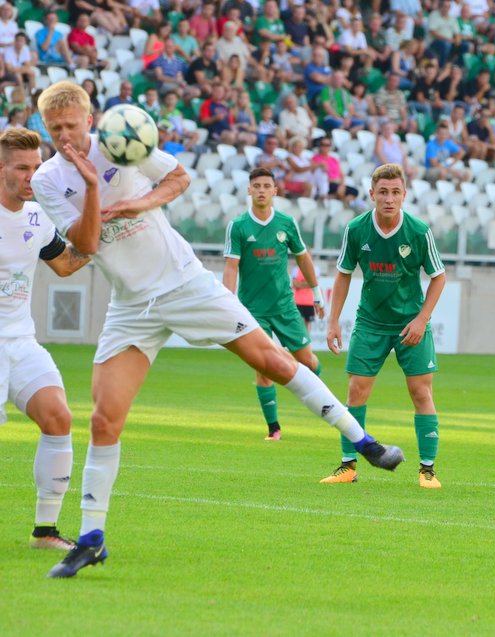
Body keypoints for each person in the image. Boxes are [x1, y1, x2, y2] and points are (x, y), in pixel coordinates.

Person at [31, 81, 404, 578]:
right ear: (44, 128)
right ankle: (92, 538)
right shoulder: (49, 180)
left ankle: (364, 442)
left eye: (71, 126)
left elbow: (179, 178)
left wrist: (142, 203)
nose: (64, 136)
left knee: (273, 361)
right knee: (104, 419)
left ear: (90, 119)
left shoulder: (126, 141)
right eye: (54, 129)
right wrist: (95, 188)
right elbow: (86, 241)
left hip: (185, 283)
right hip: (132, 306)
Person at [324, 163, 446, 488]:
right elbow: (343, 274)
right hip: (370, 323)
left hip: (411, 325)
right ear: (372, 195)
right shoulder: (357, 229)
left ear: (404, 195)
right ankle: (348, 466)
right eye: (383, 193)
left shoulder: (418, 232)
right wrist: (333, 321)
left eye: (395, 193)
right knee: (355, 390)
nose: (389, 199)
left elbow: (438, 277)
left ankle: (428, 470)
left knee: (421, 392)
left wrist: (422, 319)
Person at [0, 128, 91, 553]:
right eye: (21, 168)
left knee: (59, 418)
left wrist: (99, 236)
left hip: (21, 342)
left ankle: (45, 531)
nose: (31, 177)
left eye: (37, 168)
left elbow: (66, 264)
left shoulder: (37, 217)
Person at [224, 168, 325, 440]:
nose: (261, 190)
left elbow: (303, 258)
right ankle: (274, 428)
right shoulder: (239, 225)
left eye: (266, 185)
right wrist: (227, 303)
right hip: (253, 310)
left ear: (275, 191)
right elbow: (231, 266)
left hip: (285, 307)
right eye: (256, 185)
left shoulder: (286, 223)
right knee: (264, 367)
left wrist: (316, 292)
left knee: (308, 361)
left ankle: (322, 398)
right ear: (249, 190)